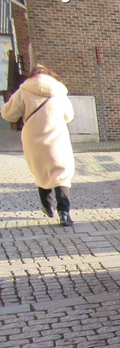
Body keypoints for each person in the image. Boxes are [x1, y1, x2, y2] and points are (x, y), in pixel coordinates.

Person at [2, 64, 76, 227]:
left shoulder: (23, 90)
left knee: (40, 171)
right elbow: (69, 116)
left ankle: (47, 207)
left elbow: (8, 114)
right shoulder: (58, 90)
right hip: (57, 136)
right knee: (61, 173)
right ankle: (64, 213)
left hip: (33, 137)